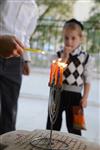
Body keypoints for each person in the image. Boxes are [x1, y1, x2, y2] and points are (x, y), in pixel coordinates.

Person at [46, 18, 92, 136]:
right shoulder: (57, 55)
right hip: (58, 94)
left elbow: (88, 79)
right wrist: (64, 58)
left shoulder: (85, 57)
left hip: (76, 97)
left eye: (73, 38)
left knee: (76, 128)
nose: (69, 42)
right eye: (66, 38)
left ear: (80, 38)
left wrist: (85, 97)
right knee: (52, 125)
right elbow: (56, 73)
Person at [0, 0, 38, 135]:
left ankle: (6, 140)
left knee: (10, 105)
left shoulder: (33, 8)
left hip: (16, 60)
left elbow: (26, 36)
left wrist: (26, 60)